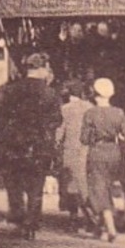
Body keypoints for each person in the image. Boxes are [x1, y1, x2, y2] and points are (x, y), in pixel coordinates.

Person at [0, 52, 63, 240]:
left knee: (14, 184)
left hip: (15, 145)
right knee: (35, 186)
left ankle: (18, 219)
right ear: (41, 68)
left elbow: (2, 118)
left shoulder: (11, 90)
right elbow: (56, 120)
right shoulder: (50, 93)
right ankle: (31, 224)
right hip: (39, 146)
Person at [80, 76, 125, 243]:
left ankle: (110, 228)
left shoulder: (90, 113)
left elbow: (84, 139)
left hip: (97, 153)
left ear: (95, 94)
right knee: (107, 188)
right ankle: (101, 226)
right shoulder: (118, 113)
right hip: (114, 153)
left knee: (99, 189)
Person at [55, 79, 90, 225]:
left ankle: (73, 217)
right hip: (86, 151)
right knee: (85, 184)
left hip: (69, 151)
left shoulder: (65, 109)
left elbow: (59, 131)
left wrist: (56, 143)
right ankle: (90, 218)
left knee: (70, 184)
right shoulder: (89, 107)